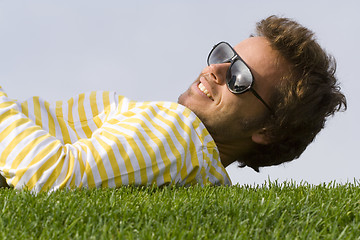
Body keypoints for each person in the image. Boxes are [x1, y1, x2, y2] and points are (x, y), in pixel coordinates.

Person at [0, 16, 346, 192]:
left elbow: (53, 174)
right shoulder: (208, 183)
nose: (214, 70)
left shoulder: (179, 130)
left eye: (240, 77)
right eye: (226, 56)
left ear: (268, 131)